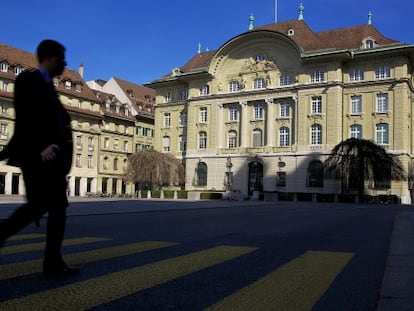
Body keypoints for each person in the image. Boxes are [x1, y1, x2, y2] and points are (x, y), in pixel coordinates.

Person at [0, 39, 79, 277]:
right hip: (37, 157)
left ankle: (53, 262)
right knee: (42, 207)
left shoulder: (48, 87)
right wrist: (40, 147)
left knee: (51, 207)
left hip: (51, 161)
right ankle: (51, 262)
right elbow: (25, 119)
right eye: (62, 59)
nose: (64, 65)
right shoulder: (28, 80)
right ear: (50, 58)